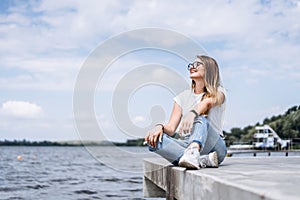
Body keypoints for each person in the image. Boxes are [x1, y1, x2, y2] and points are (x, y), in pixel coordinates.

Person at [144, 55, 227, 169]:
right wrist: (159, 127)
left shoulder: (219, 92)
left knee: (200, 118)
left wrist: (192, 114)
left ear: (209, 69)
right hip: (188, 143)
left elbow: (206, 103)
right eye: (191, 65)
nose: (192, 67)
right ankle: (202, 160)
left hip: (215, 146)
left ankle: (193, 153)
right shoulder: (181, 98)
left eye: (198, 64)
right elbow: (171, 128)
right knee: (154, 141)